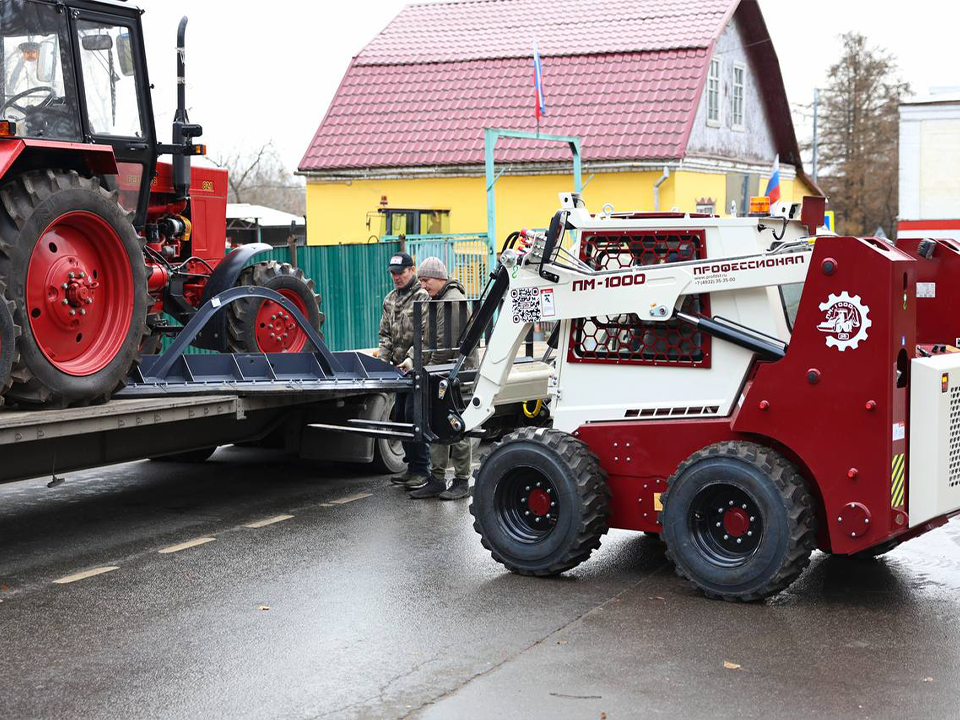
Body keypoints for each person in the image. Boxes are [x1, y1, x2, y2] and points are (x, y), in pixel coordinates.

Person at [406, 257, 478, 500]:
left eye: (426, 280)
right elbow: (429, 340)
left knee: (455, 428)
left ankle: (461, 481)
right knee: (437, 426)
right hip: (442, 375)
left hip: (456, 377)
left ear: (439, 277)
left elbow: (446, 348)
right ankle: (436, 479)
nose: (423, 285)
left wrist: (427, 371)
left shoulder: (453, 302)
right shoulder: (439, 300)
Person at [378, 251, 431, 489]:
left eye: (400, 272)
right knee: (400, 418)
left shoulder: (423, 296)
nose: (396, 277)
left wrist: (412, 359)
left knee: (414, 417)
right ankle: (411, 467)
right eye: (393, 273)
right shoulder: (389, 299)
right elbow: (385, 335)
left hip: (417, 368)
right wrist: (384, 363)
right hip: (398, 370)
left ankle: (422, 469)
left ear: (412, 270)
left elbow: (426, 335)